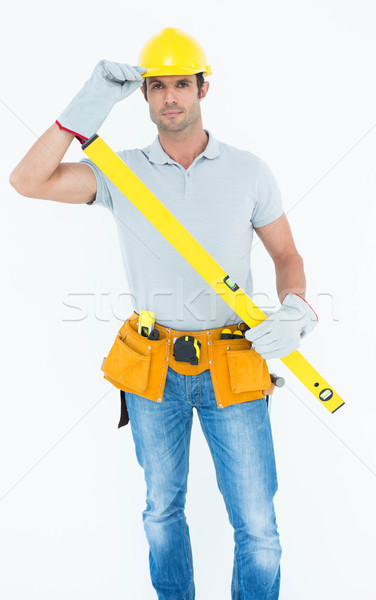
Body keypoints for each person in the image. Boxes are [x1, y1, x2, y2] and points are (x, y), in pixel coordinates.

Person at [10, 27, 318, 600]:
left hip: (235, 362)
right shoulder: (120, 173)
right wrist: (84, 109)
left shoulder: (249, 171)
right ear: (144, 96)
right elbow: (27, 181)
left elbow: (287, 255)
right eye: (157, 87)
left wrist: (298, 308)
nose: (170, 97)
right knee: (160, 513)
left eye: (181, 84)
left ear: (204, 88)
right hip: (154, 368)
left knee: (259, 529)